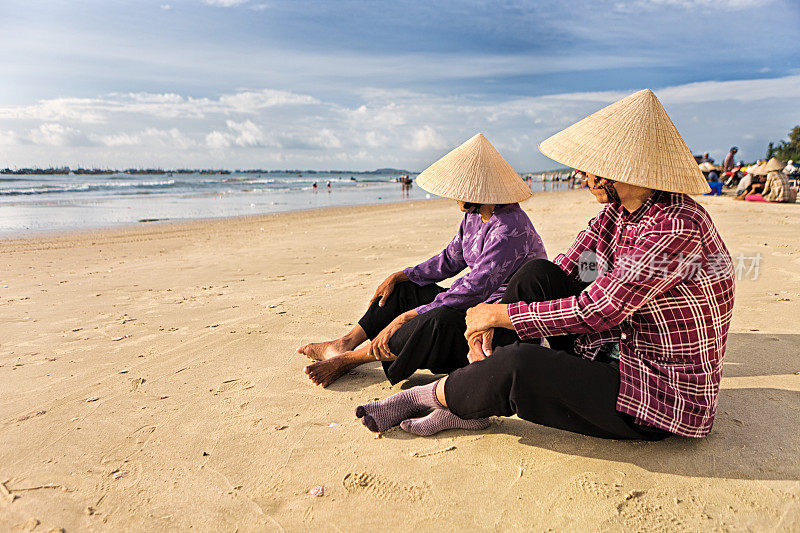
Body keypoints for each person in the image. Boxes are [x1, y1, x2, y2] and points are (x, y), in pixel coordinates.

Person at [356, 89, 735, 440]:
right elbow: (570, 269)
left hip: (656, 392)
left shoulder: (675, 228)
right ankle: (476, 388)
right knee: (536, 275)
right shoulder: (617, 215)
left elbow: (600, 307)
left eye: (594, 169)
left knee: (520, 364)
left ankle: (439, 395)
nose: (587, 178)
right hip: (610, 347)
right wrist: (496, 312)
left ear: (625, 171)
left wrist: (501, 317)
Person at [298, 133, 547, 387]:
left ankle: (352, 359)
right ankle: (345, 343)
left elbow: (475, 287)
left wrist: (406, 317)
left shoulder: (509, 227)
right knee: (403, 290)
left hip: (500, 323)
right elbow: (450, 259)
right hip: (476, 304)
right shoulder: (474, 215)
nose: (454, 196)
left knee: (432, 320)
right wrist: (401, 275)